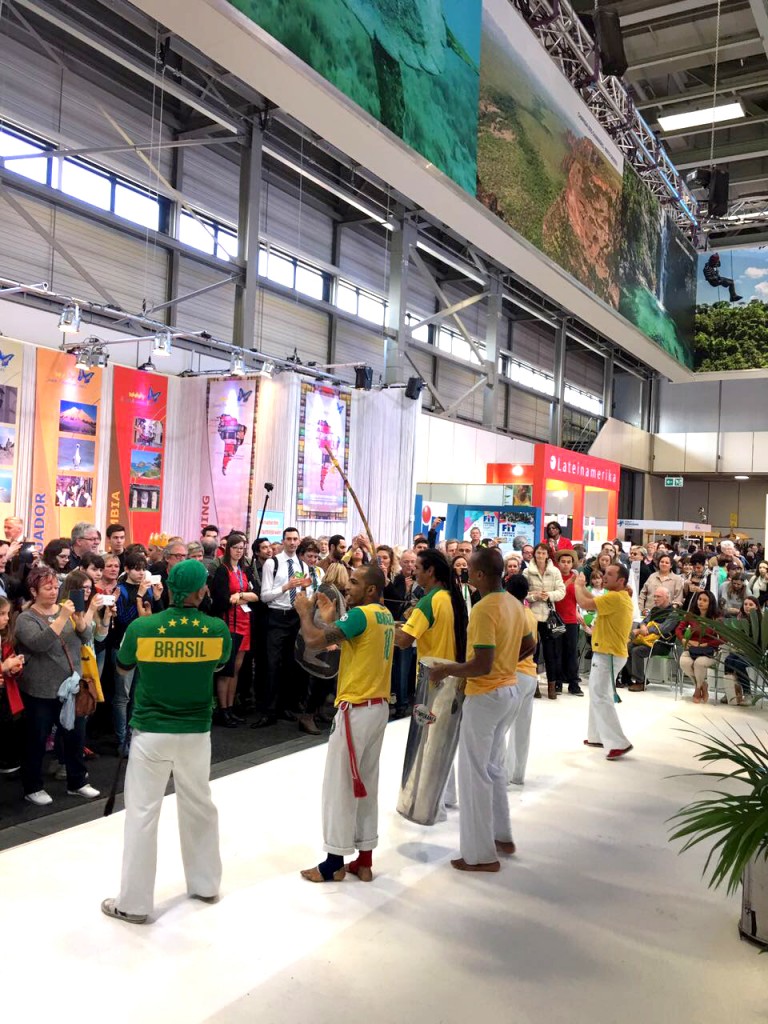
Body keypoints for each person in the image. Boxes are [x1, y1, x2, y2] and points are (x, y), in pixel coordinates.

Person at [101, 560, 231, 925]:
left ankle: (133, 903)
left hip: (151, 732)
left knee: (142, 813)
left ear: (169, 588)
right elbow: (219, 666)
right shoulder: (217, 629)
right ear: (201, 591)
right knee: (200, 806)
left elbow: (123, 667)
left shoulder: (143, 628)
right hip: (196, 733)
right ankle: (205, 884)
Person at [429, 547, 534, 872]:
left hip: (486, 696)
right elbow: (530, 644)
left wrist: (446, 670)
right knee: (494, 768)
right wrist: (506, 663)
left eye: (469, 570)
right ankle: (501, 837)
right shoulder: (514, 604)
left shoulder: (484, 608)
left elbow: (481, 664)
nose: (465, 574)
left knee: (474, 773)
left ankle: (479, 855)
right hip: (508, 691)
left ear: (479, 574)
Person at [295, 564, 394, 884]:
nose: (347, 586)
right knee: (366, 784)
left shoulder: (360, 615)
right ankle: (364, 860)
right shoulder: (384, 614)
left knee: (339, 786)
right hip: (378, 706)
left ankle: (333, 863)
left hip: (356, 708)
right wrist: (329, 618)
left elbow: (314, 641)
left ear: (370, 589)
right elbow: (349, 636)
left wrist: (304, 613)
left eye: (354, 582)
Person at [15, 565, 100, 805]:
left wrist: (81, 622)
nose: (53, 592)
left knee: (75, 737)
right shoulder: (26, 618)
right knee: (37, 739)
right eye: (47, 588)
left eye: (55, 586)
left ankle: (77, 781)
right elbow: (39, 644)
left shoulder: (65, 609)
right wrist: (62, 618)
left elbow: (85, 638)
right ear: (34, 591)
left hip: (71, 687)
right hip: (40, 690)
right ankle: (33, 786)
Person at [574, 564, 634, 760]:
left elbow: (584, 603)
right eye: (605, 573)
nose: (605, 576)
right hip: (607, 653)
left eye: (610, 574)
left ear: (621, 580)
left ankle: (618, 743)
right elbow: (592, 598)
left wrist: (577, 586)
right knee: (598, 694)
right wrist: (582, 586)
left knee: (600, 695)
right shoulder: (616, 597)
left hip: (608, 654)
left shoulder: (616, 598)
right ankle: (597, 736)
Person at [253, 527, 312, 728]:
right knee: (272, 665)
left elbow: (306, 592)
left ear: (299, 541)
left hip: (295, 616)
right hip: (277, 616)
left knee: (290, 665)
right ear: (283, 540)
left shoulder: (302, 565)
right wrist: (286, 587)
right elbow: (264, 596)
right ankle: (268, 711)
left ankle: (284, 707)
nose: (292, 542)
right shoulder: (273, 563)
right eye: (289, 539)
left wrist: (308, 593)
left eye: (295, 539)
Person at [209, 533, 259, 727]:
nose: (239, 551)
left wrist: (240, 595)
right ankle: (223, 710)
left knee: (237, 669)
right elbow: (222, 600)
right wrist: (240, 597)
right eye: (235, 547)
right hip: (228, 622)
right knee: (226, 670)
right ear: (228, 549)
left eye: (241, 548)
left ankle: (230, 708)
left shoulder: (245, 569)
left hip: (244, 622)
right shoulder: (222, 571)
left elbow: (256, 595)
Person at [504, 574, 539, 785]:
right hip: (530, 674)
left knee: (501, 727)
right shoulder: (529, 614)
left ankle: (503, 775)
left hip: (515, 674)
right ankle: (517, 774)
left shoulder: (512, 614)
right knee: (522, 728)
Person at [523, 543, 565, 700]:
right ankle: (533, 685)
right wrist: (534, 596)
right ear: (534, 554)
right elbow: (523, 593)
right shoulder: (527, 571)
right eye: (538, 553)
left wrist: (549, 595)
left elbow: (561, 591)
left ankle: (551, 686)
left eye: (543, 553)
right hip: (532, 616)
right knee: (533, 652)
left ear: (548, 555)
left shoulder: (555, 571)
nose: (540, 555)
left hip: (549, 616)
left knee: (550, 653)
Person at [620, 589, 679, 691]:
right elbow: (644, 621)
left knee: (637, 651)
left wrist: (643, 630)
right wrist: (642, 626)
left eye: (658, 596)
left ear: (667, 597)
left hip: (662, 644)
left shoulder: (673, 613)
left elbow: (663, 629)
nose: (655, 599)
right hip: (646, 640)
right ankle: (639, 678)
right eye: (654, 596)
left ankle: (640, 682)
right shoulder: (654, 610)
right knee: (627, 647)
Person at [676, 591, 723, 704]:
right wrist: (683, 639)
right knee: (684, 662)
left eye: (705, 600)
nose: (700, 602)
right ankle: (702, 684)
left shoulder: (716, 618)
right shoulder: (691, 615)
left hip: (709, 650)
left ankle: (697, 689)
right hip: (692, 648)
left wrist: (707, 644)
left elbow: (723, 638)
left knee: (699, 663)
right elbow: (678, 629)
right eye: (699, 599)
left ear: (710, 603)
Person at [552, 549, 584, 696]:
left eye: (568, 562)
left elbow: (580, 598)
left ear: (572, 564)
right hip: (557, 620)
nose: (566, 564)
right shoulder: (555, 578)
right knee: (557, 652)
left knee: (571, 652)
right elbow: (556, 595)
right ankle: (558, 682)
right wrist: (568, 582)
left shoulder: (577, 579)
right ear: (558, 563)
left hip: (571, 620)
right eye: (563, 562)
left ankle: (573, 683)